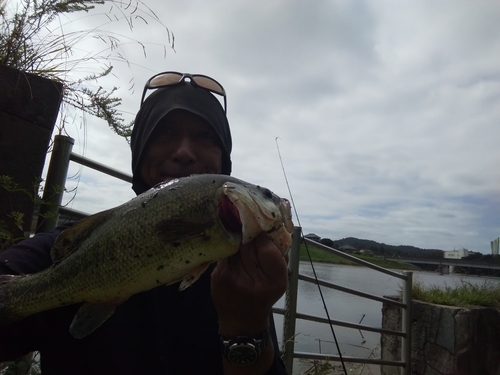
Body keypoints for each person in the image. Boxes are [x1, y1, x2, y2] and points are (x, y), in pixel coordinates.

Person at [0, 72, 290, 374]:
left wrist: (247, 326)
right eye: (164, 133)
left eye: (205, 136)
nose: (183, 153)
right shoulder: (58, 254)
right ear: (139, 155)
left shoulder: (239, 279)